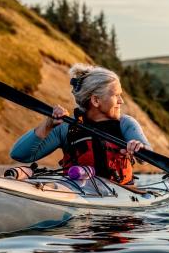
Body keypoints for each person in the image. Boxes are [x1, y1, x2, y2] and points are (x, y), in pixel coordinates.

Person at [10, 63, 150, 185]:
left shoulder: (125, 124)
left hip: (121, 195)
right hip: (77, 194)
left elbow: (146, 159)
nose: (121, 101)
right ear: (95, 101)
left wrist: (139, 148)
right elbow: (19, 155)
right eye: (116, 95)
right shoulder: (67, 129)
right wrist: (47, 125)